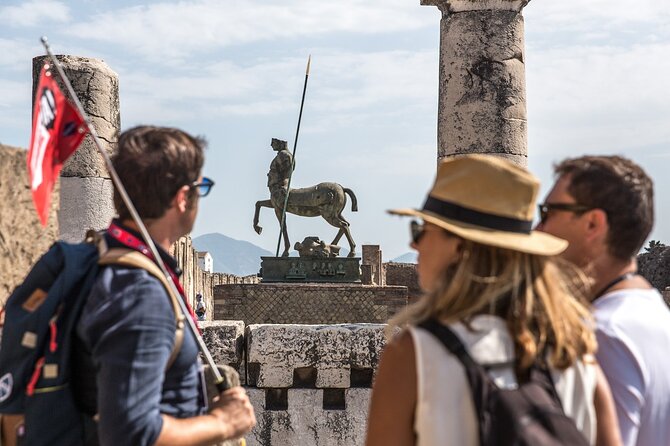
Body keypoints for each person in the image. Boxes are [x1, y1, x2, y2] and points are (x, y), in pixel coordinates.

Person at [366, 154, 621, 446]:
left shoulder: (415, 354)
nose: (414, 243)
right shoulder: (576, 353)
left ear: (460, 247)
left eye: (421, 229)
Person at [75, 126, 256, 445]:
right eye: (202, 187)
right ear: (183, 197)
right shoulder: (141, 294)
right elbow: (130, 433)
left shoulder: (95, 261)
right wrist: (223, 423)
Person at [536, 155, 670, 446]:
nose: (537, 229)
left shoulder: (599, 336)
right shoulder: (655, 314)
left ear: (593, 224)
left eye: (547, 213)